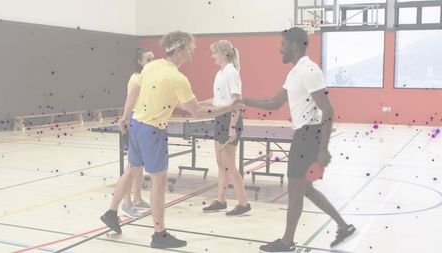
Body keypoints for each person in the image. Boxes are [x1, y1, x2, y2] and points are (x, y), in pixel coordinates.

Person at [100, 31, 244, 249]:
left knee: (131, 170)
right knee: (159, 182)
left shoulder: (152, 66)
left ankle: (111, 212)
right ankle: (159, 234)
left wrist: (125, 117)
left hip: (137, 125)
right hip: (153, 131)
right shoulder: (178, 78)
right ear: (178, 50)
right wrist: (228, 108)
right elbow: (197, 112)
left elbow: (134, 92)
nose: (194, 51)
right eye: (190, 48)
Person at [238, 27, 356, 252]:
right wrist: (244, 101)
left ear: (293, 45)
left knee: (295, 190)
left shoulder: (309, 71)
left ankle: (287, 242)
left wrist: (324, 150)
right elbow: (273, 103)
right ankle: (344, 226)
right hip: (304, 135)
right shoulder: (294, 72)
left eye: (282, 44)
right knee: (305, 189)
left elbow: (328, 110)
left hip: (309, 136)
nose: (278, 49)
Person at [200, 40, 250, 216]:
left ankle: (243, 203)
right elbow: (217, 99)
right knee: (220, 163)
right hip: (220, 118)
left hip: (230, 120)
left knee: (229, 164)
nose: (212, 56)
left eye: (215, 53)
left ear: (223, 54)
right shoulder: (219, 73)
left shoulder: (231, 73)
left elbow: (236, 102)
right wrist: (195, 105)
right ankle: (221, 200)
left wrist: (232, 127)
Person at [118, 48, 155, 218]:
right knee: (132, 165)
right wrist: (125, 119)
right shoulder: (137, 78)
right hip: (134, 120)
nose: (152, 61)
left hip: (145, 120)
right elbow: (130, 100)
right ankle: (126, 203)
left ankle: (138, 199)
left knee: (139, 164)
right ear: (140, 62)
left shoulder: (149, 77)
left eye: (153, 58)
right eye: (148, 59)